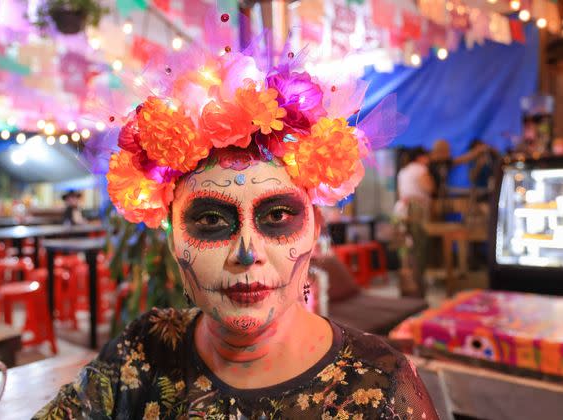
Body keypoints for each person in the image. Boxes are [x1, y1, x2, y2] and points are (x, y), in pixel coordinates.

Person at [34, 18, 438, 419]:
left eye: (277, 215)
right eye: (211, 221)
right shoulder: (143, 350)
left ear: (314, 228)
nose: (248, 253)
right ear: (172, 235)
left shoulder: (378, 386)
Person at [394, 147, 434, 297]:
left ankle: (406, 284)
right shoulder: (420, 169)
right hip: (416, 210)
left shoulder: (403, 171)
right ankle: (418, 283)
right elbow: (429, 187)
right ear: (421, 157)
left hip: (401, 209)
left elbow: (400, 192)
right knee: (419, 246)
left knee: (405, 248)